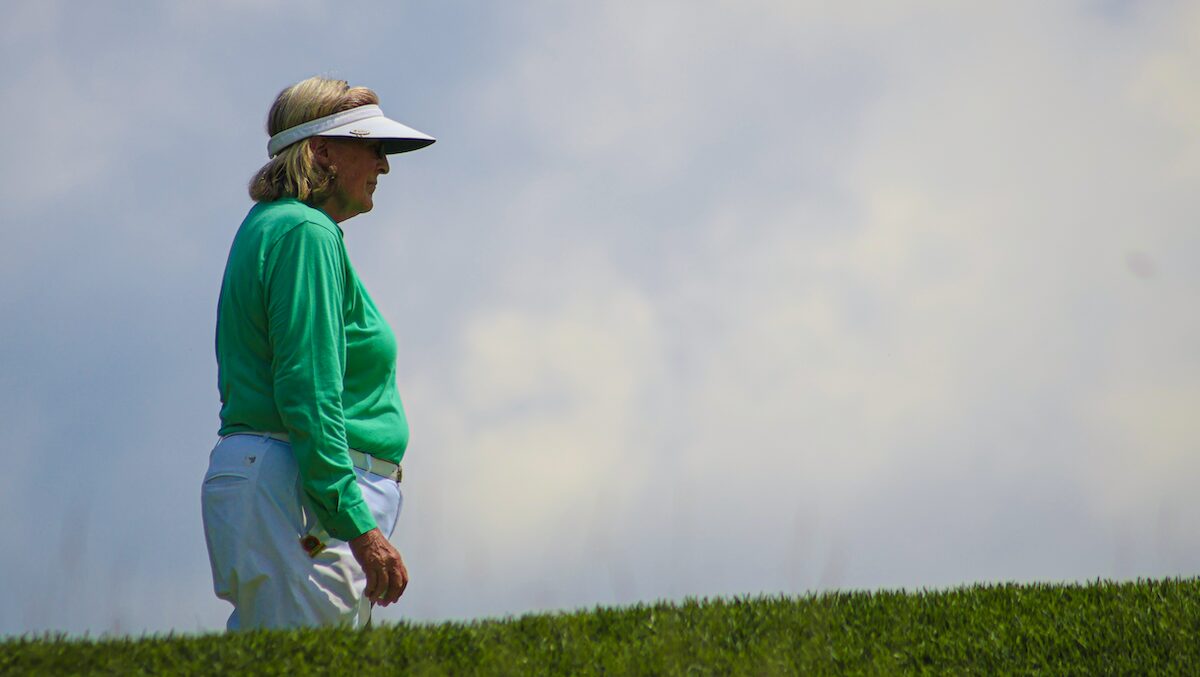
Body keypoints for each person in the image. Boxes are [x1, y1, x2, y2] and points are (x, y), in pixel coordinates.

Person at [201, 76, 435, 630]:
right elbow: (308, 391)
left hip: (282, 485)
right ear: (322, 151)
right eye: (373, 148)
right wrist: (358, 525)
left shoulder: (275, 226)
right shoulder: (306, 231)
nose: (384, 166)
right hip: (299, 494)